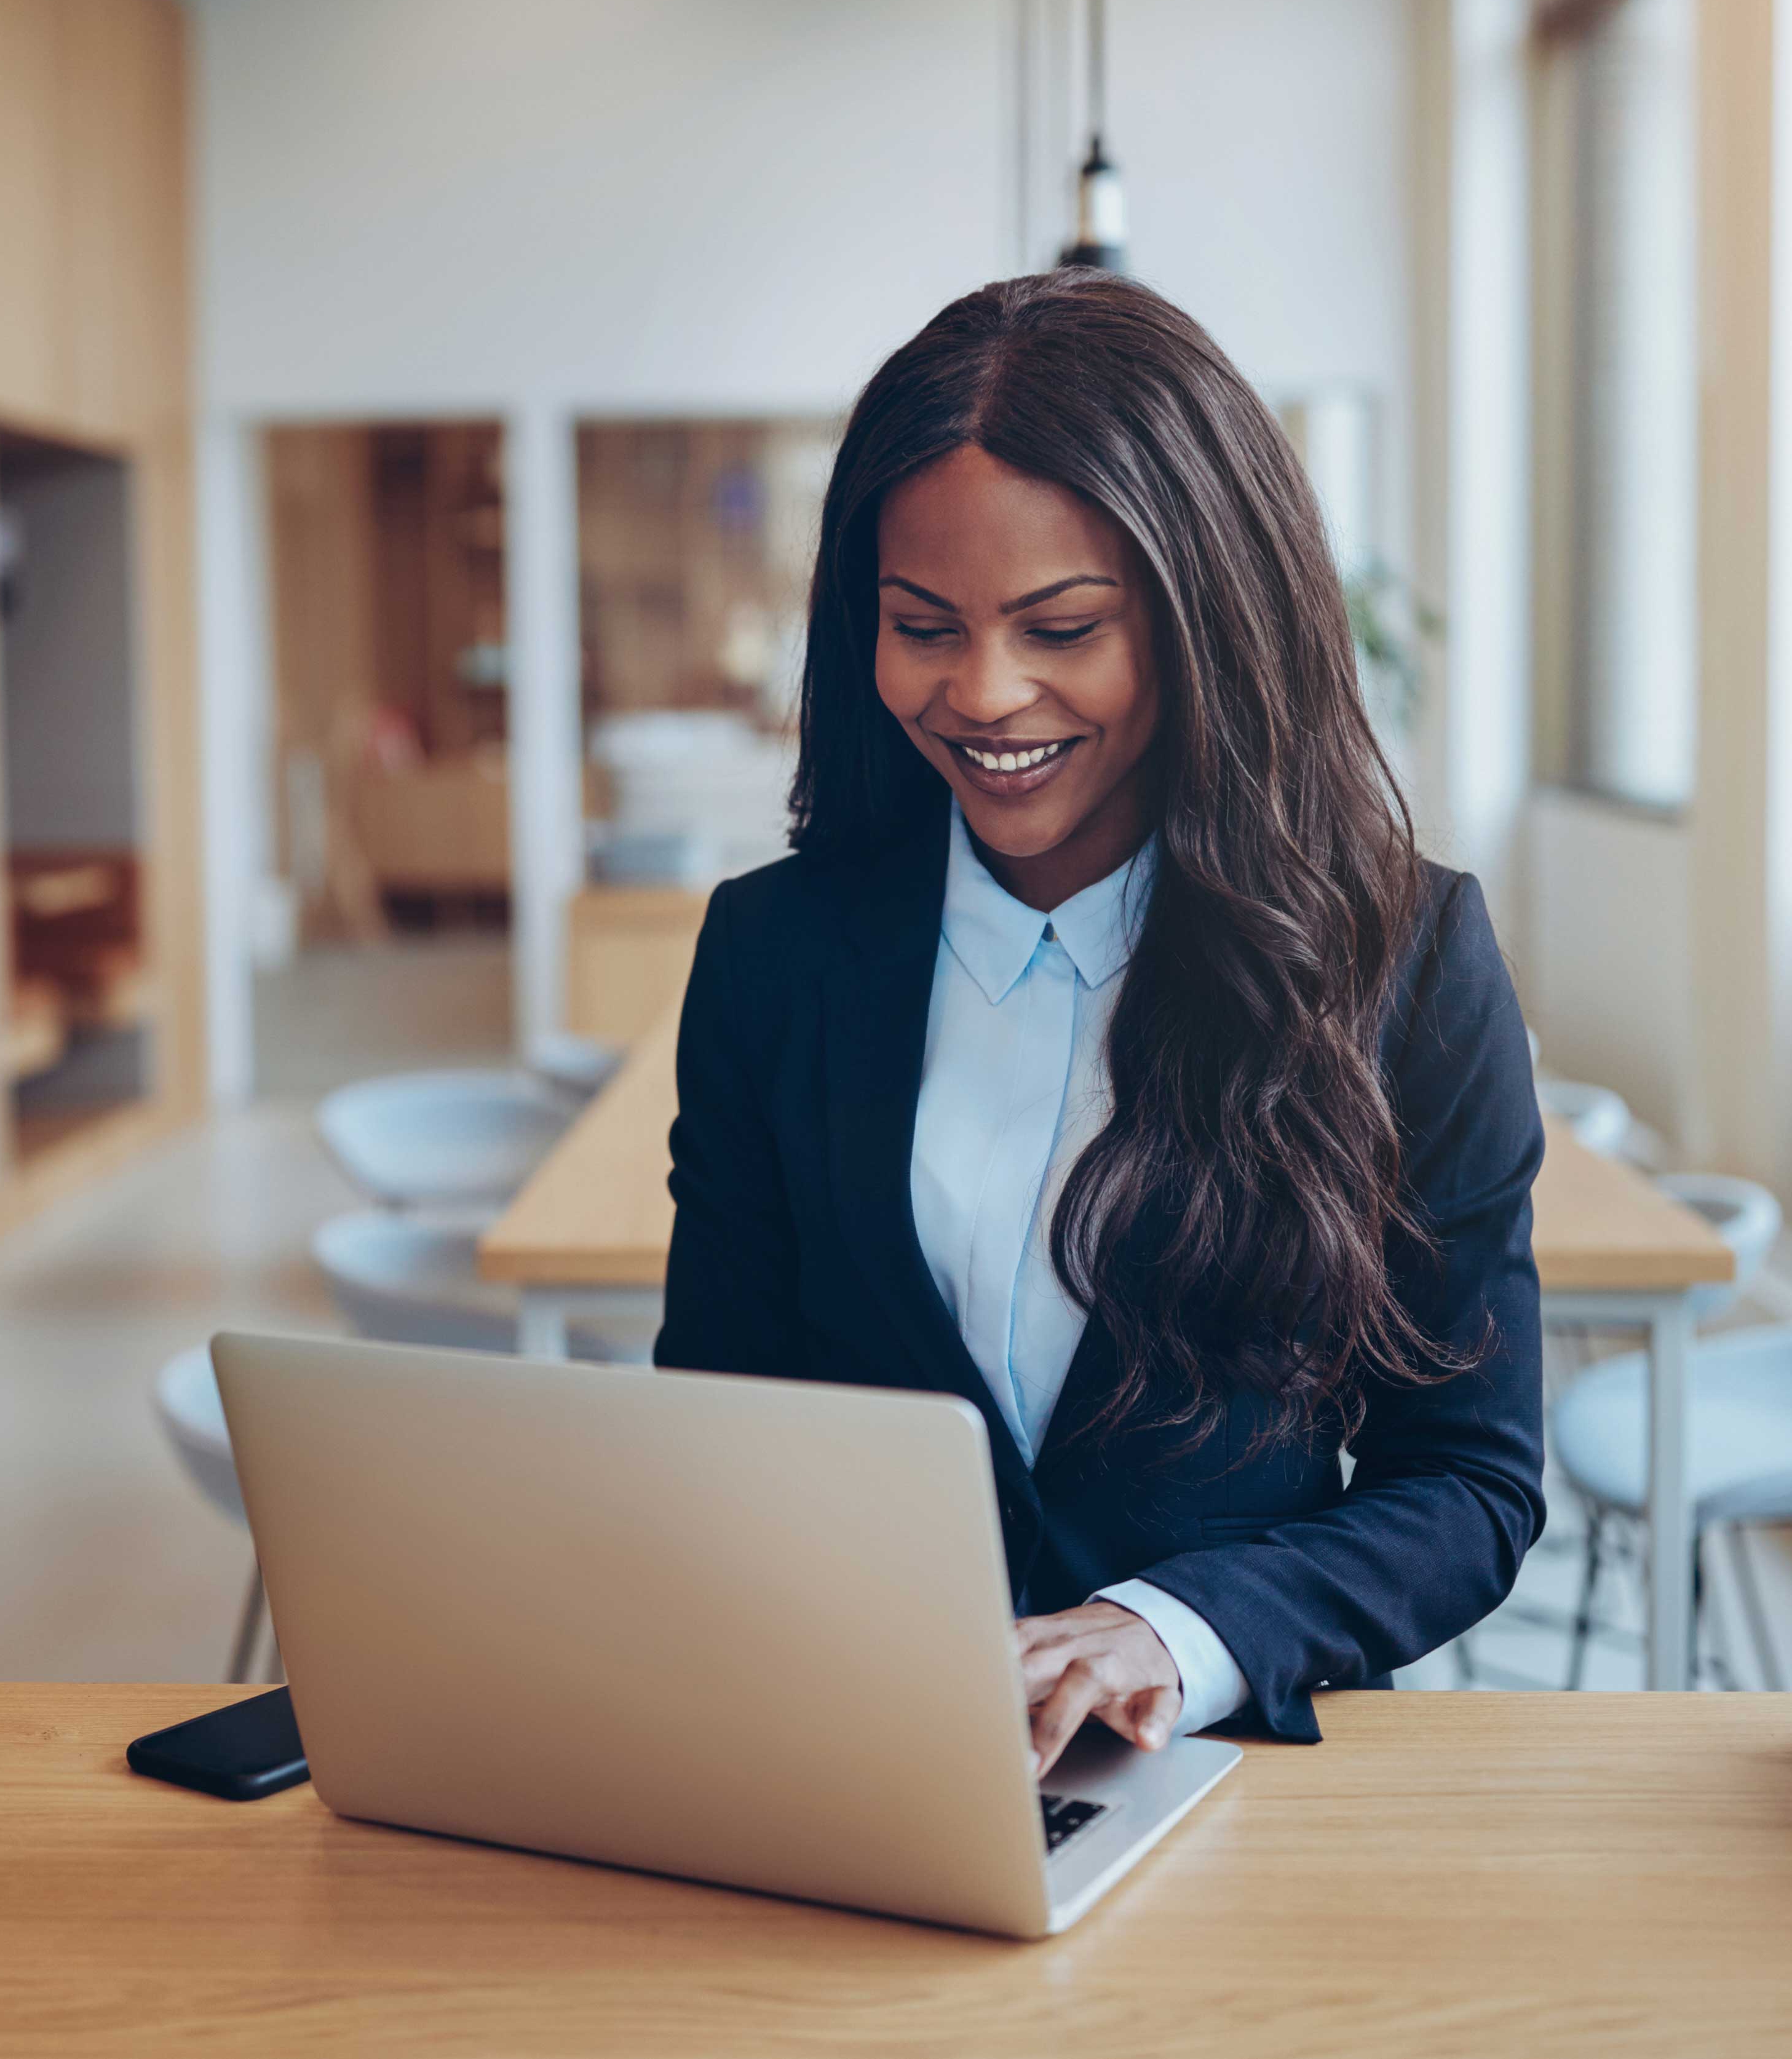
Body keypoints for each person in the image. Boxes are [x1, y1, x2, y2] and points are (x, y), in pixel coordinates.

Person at [655, 270, 1545, 1766]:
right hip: (856, 1754)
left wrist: (1171, 1632)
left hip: (1222, 1773)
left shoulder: (1402, 957)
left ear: (1211, 618)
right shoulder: (775, 953)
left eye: (1063, 625)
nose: (984, 693)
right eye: (921, 624)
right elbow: (724, 1409)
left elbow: (1466, 1481)